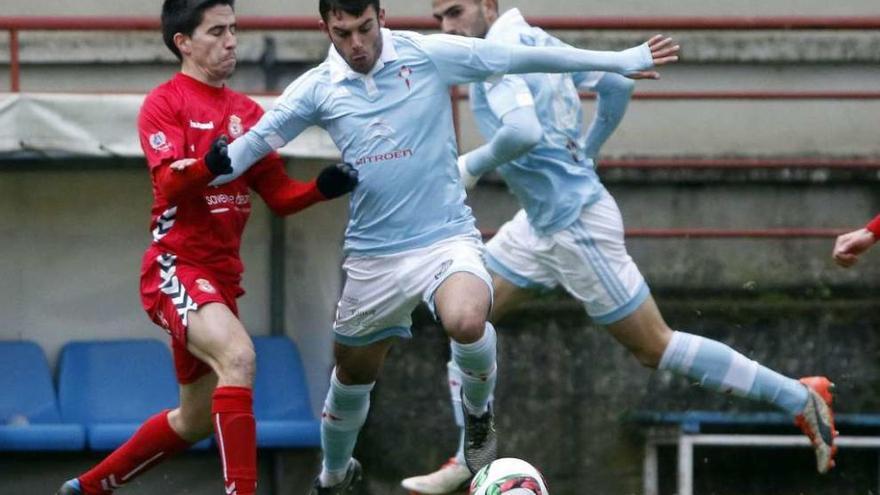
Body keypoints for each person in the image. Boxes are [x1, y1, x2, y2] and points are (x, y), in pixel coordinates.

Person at [205, 0, 678, 492]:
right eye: (343, 34)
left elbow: (517, 58)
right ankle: (333, 474)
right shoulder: (316, 88)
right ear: (325, 27)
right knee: (351, 374)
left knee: (467, 319)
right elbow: (254, 145)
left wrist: (616, 60)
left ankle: (478, 420)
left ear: (381, 17)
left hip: (445, 238)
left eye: (365, 28)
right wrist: (207, 167)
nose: (357, 45)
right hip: (374, 256)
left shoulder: (428, 54)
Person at [399, 1, 838, 493]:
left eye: (454, 11)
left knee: (655, 346)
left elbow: (522, 131)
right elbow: (616, 82)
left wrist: (473, 165)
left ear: (487, 5)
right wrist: (589, 149)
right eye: (438, 18)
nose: (447, 26)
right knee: (465, 318)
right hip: (539, 224)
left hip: (576, 225)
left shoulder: (498, 54)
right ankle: (470, 454)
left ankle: (800, 398)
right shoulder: (536, 39)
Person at [55, 1, 357, 494]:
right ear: (184, 42)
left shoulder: (247, 114)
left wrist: (322, 187)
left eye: (234, 29)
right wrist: (208, 166)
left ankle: (87, 488)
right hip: (174, 269)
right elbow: (170, 184)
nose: (231, 41)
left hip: (219, 283)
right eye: (217, 31)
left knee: (194, 419)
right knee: (239, 356)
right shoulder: (165, 103)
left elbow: (278, 196)